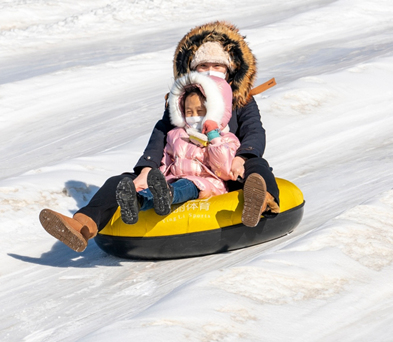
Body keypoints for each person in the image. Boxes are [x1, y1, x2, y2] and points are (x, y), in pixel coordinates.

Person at [39, 21, 280, 253]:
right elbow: (161, 135)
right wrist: (148, 167)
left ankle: (261, 199)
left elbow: (254, 130)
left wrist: (244, 156)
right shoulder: (181, 102)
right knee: (123, 180)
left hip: (223, 169)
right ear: (191, 71)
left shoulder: (242, 101)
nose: (210, 72)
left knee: (257, 166)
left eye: (217, 67)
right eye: (202, 67)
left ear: (229, 70)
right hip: (179, 168)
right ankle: (83, 224)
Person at [115, 71, 240, 225]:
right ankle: (138, 201)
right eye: (189, 112)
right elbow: (166, 163)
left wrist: (213, 136)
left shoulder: (225, 138)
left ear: (213, 111)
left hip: (207, 184)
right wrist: (151, 181)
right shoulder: (175, 135)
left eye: (200, 112)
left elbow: (225, 169)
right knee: (162, 189)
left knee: (189, 184)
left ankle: (167, 194)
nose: (194, 116)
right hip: (172, 180)